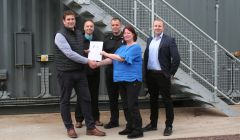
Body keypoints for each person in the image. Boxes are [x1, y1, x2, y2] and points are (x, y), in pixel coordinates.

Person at [54, 10, 106, 138]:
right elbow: (69, 53)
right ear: (64, 21)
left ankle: (91, 127)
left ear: (75, 21)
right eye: (68, 19)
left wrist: (89, 52)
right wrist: (88, 60)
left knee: (86, 99)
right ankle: (70, 128)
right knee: (65, 100)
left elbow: (78, 50)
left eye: (73, 19)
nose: (71, 21)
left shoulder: (78, 33)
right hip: (65, 73)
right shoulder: (59, 35)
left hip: (79, 72)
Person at [98, 25, 143, 139]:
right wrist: (97, 64)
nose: (126, 34)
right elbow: (111, 59)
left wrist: (105, 53)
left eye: (129, 33)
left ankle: (138, 130)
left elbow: (121, 58)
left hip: (133, 80)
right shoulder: (121, 47)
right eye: (125, 33)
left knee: (132, 105)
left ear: (133, 35)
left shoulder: (136, 47)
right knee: (126, 105)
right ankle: (130, 126)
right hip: (122, 80)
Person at [142, 19, 180, 136]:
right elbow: (147, 57)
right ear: (153, 27)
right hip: (151, 75)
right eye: (155, 26)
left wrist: (170, 73)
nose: (157, 27)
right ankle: (153, 124)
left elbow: (176, 59)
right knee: (153, 100)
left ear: (163, 28)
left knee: (166, 100)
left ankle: (169, 126)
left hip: (162, 75)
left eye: (159, 26)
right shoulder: (150, 40)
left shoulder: (169, 40)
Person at [75, 19, 103, 128]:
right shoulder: (79, 39)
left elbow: (101, 55)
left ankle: (95, 118)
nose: (89, 28)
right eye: (87, 26)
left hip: (95, 71)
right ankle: (79, 119)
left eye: (91, 26)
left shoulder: (97, 40)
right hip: (82, 71)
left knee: (94, 95)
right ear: (84, 28)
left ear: (93, 28)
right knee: (81, 96)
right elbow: (75, 54)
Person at [102, 17, 123, 129]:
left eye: (117, 25)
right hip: (110, 71)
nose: (115, 26)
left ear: (120, 26)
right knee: (112, 98)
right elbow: (102, 54)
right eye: (113, 25)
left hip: (123, 72)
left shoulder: (125, 38)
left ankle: (130, 121)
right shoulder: (107, 39)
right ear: (111, 26)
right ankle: (114, 121)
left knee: (125, 98)